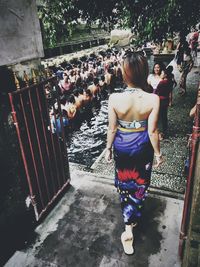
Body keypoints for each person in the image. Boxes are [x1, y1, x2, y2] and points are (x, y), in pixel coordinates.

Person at [105, 51, 163, 255]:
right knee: (140, 182)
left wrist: (108, 149)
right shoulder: (153, 99)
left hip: (122, 146)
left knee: (124, 182)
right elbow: (152, 131)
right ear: (144, 72)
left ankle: (128, 226)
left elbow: (112, 129)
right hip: (142, 147)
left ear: (125, 74)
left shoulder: (114, 98)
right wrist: (158, 154)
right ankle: (132, 220)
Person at [155, 68, 172, 140]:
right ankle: (165, 131)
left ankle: (161, 133)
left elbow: (156, 91)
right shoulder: (169, 82)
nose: (161, 74)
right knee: (164, 116)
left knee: (159, 117)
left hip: (160, 101)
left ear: (165, 75)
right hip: (166, 100)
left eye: (162, 73)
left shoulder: (162, 83)